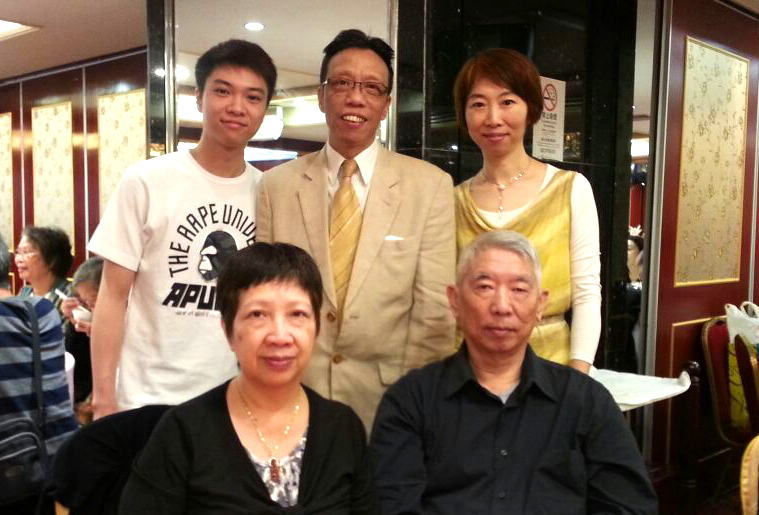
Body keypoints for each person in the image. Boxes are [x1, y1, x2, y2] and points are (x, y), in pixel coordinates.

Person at [370, 231, 657, 515]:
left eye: (519, 290)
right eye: (485, 287)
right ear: (455, 300)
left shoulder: (585, 401)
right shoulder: (411, 401)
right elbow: (393, 505)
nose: (502, 306)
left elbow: (630, 506)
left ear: (540, 305)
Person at [257, 29, 456, 430]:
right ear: (321, 95)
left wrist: (415, 407)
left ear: (386, 105)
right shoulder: (276, 186)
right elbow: (263, 299)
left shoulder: (430, 186)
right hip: (293, 392)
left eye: (371, 87)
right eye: (342, 83)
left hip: (388, 404)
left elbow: (434, 315)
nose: (355, 97)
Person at [87, 39, 276, 419]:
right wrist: (104, 397)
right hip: (145, 399)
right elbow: (112, 296)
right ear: (199, 98)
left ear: (264, 108)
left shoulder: (269, 192)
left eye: (253, 97)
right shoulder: (146, 180)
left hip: (233, 401)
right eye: (223, 91)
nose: (237, 106)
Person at [119, 243, 379, 514]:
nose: (280, 336)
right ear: (228, 330)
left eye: (297, 314)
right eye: (258, 315)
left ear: (316, 327)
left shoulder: (343, 428)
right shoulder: (183, 433)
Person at [452, 48, 601, 373]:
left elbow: (587, 294)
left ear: (531, 108)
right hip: (470, 371)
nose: (493, 118)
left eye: (507, 102)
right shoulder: (453, 201)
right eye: (478, 104)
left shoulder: (570, 189)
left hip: (552, 367)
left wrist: (577, 379)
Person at [0, 235, 78, 513]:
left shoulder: (61, 296)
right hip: (53, 462)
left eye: (27, 252)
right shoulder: (42, 311)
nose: (20, 258)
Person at [15, 225, 73, 314]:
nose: (18, 259)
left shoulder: (69, 296)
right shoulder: (25, 293)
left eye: (26, 252)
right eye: (18, 252)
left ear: (52, 260)